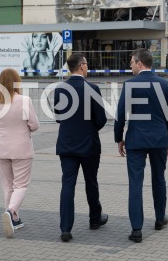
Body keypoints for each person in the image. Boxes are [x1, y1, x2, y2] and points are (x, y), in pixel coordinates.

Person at [114, 48, 168, 243]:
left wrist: (118, 138)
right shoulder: (165, 85)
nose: (130, 65)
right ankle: (159, 219)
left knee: (135, 184)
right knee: (159, 179)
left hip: (136, 140)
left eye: (131, 62)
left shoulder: (130, 85)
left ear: (140, 63)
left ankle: (136, 229)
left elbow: (120, 115)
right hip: (159, 139)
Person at [54, 53, 108, 242]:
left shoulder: (60, 89)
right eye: (87, 64)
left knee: (67, 184)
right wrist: (89, 129)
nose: (88, 67)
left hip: (67, 144)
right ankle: (95, 219)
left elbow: (59, 116)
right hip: (89, 145)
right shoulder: (92, 88)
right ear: (82, 66)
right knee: (91, 182)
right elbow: (101, 119)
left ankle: (66, 229)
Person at [0, 68, 40, 238]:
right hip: (21, 148)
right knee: (21, 185)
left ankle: (14, 218)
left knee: (7, 185)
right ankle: (11, 212)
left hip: (1, 148)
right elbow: (34, 124)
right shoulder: (24, 100)